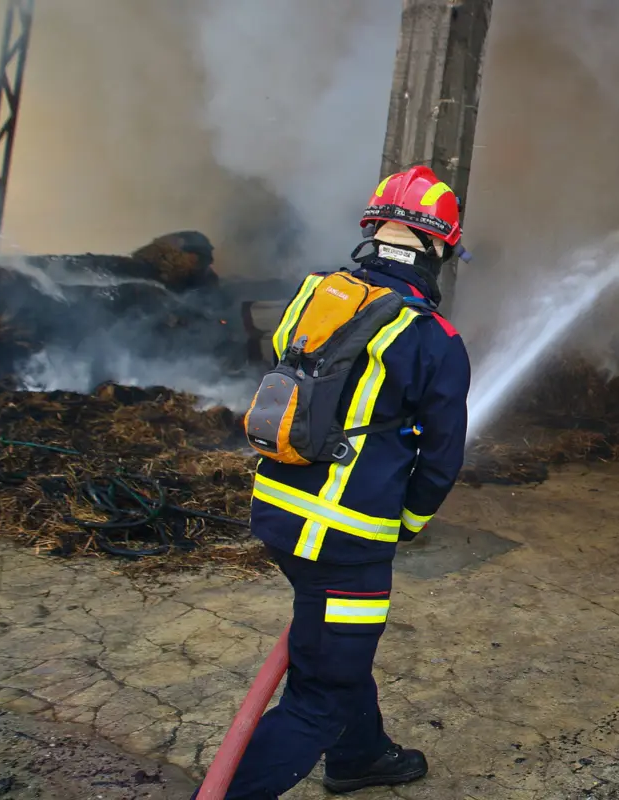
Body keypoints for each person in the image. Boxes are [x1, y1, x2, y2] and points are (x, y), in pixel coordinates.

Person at [193, 165, 472, 799]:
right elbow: (441, 459)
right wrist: (410, 522)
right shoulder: (433, 338)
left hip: (279, 513)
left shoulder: (315, 296)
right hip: (345, 542)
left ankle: (361, 756)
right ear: (437, 246)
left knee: (328, 645)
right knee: (319, 694)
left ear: (373, 231)